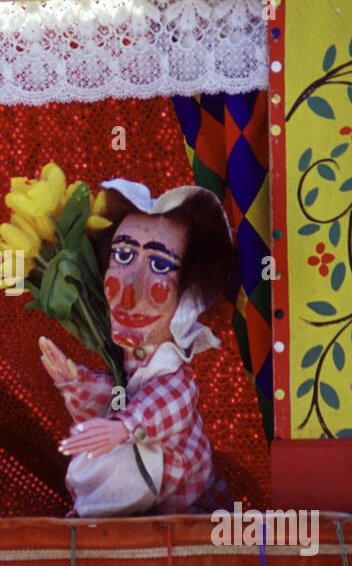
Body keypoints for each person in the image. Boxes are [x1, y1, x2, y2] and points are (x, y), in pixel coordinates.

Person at [40, 178, 236, 516]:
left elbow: (163, 403)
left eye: (159, 265)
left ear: (188, 298)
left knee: (117, 463)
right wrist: (75, 381)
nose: (128, 291)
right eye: (123, 255)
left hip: (189, 515)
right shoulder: (130, 369)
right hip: (149, 509)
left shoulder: (175, 379)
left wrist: (123, 428)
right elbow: (119, 396)